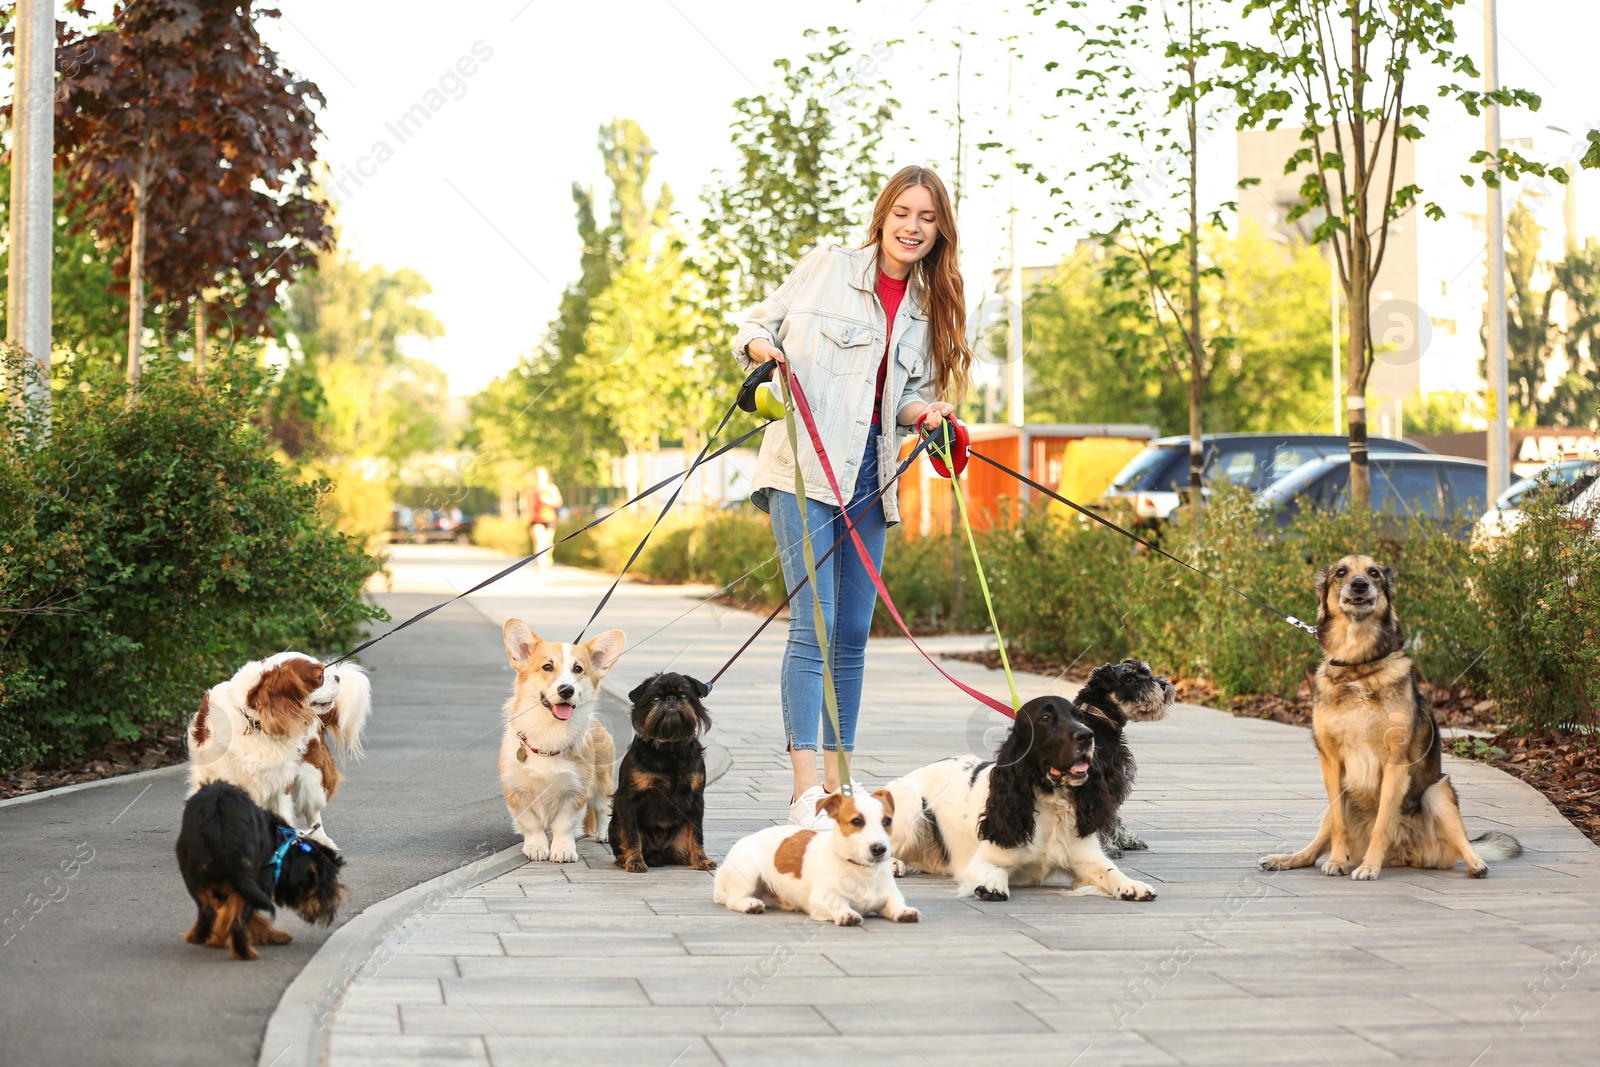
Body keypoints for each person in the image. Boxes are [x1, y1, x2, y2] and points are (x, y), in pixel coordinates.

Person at [733, 165, 972, 829]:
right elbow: (756, 323)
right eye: (903, 212)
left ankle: (842, 781)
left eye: (927, 218)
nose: (912, 227)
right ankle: (806, 789)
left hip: (872, 480)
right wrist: (765, 351)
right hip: (804, 471)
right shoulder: (829, 267)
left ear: (940, 229)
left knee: (852, 636)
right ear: (883, 214)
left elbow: (904, 397)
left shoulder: (927, 308)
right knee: (815, 625)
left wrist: (928, 414)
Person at [526, 467, 563, 571]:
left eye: (541, 474)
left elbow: (559, 502)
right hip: (536, 519)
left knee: (548, 542)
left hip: (549, 518)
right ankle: (541, 565)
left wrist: (547, 501)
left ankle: (548, 557)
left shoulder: (551, 488)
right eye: (537, 475)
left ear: (546, 475)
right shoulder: (532, 489)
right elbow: (529, 504)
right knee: (539, 542)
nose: (539, 477)